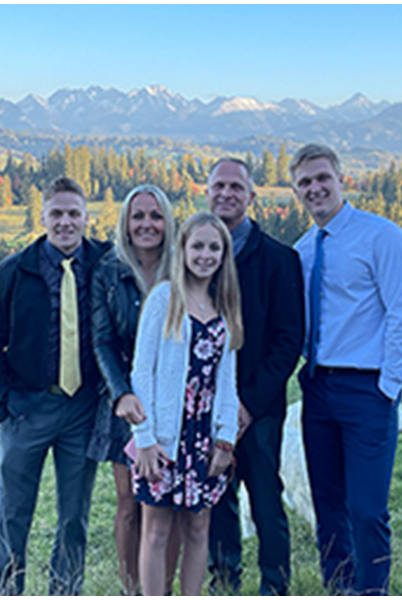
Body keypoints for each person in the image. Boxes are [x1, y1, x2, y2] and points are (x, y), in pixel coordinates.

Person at [292, 143, 402, 595]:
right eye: (305, 182)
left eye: (322, 177)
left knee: (367, 509)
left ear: (341, 179)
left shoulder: (381, 236)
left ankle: (372, 591)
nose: (315, 188)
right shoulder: (303, 250)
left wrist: (389, 386)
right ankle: (340, 589)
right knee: (329, 508)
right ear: (296, 191)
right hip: (318, 388)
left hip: (368, 391)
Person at [0, 176, 113, 595]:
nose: (65, 222)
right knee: (14, 514)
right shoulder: (14, 271)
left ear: (87, 218)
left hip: (82, 411)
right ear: (42, 217)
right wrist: (2, 406)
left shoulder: (106, 265)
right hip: (27, 409)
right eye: (57, 213)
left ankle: (65, 591)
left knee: (74, 517)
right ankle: (6, 591)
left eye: (74, 213)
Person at [205, 158, 305, 595]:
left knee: (266, 503)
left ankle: (274, 588)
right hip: (205, 406)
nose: (226, 193)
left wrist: (247, 404)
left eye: (235, 187)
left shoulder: (281, 260)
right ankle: (224, 585)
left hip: (260, 410)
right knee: (217, 504)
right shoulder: (196, 255)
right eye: (218, 186)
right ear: (207, 192)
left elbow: (289, 341)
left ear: (251, 195)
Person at [129, 211, 242, 596]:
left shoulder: (223, 307)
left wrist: (225, 439)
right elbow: (142, 373)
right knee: (157, 529)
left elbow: (228, 382)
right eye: (198, 246)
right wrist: (144, 438)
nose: (205, 255)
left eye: (214, 247)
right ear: (183, 250)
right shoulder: (164, 298)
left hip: (204, 439)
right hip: (164, 437)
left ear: (224, 254)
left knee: (198, 527)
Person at [87, 184, 177, 595]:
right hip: (125, 402)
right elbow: (102, 339)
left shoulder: (181, 267)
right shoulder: (109, 270)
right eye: (137, 216)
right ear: (125, 222)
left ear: (168, 221)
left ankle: (162, 587)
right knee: (129, 504)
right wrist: (121, 392)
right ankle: (131, 589)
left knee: (166, 504)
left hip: (173, 400)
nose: (146, 224)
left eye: (155, 216)